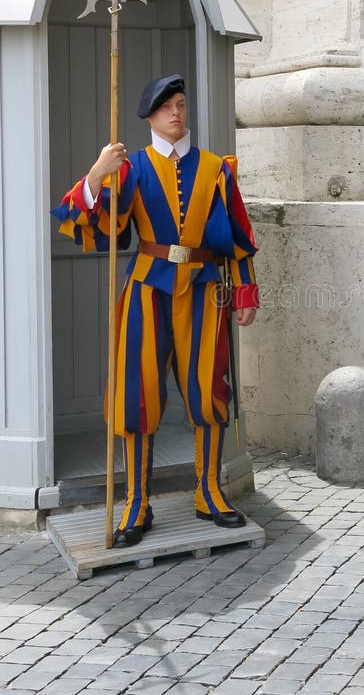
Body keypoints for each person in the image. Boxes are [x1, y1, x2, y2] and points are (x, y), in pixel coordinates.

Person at [53, 74, 258, 548]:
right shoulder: (130, 169)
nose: (176, 113)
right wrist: (97, 174)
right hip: (146, 288)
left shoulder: (216, 169)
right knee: (136, 395)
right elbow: (90, 225)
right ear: (149, 116)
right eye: (167, 106)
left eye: (182, 104)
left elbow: (240, 237)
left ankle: (209, 491)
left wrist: (245, 292)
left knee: (209, 389)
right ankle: (137, 501)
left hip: (206, 287)